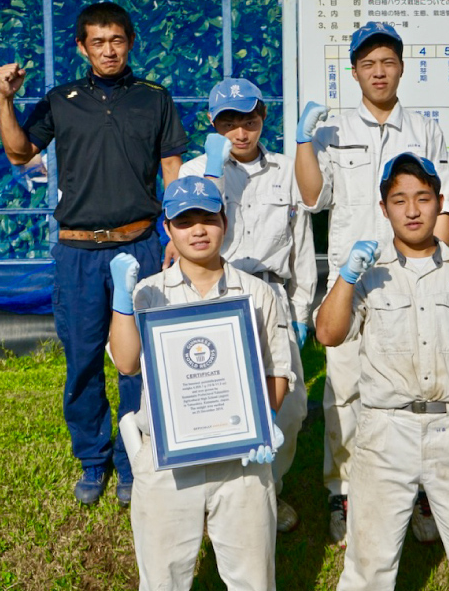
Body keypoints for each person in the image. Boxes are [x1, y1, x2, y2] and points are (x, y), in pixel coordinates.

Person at [0, 2, 188, 505]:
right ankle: (94, 460)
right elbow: (20, 152)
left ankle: (136, 461)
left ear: (130, 43)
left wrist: (174, 235)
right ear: (82, 47)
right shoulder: (62, 100)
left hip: (142, 243)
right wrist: (6, 99)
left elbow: (172, 166)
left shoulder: (154, 98)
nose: (108, 50)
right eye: (98, 42)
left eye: (117, 40)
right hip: (78, 252)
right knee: (82, 359)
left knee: (140, 361)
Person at [315, 153, 449, 591]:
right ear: (383, 208)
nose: (411, 210)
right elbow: (328, 334)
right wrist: (346, 278)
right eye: (399, 199)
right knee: (368, 564)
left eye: (423, 198)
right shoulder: (368, 273)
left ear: (439, 203)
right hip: (386, 430)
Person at [295, 20, 449, 545]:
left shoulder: (425, 128)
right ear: (355, 71)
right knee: (343, 389)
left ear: (402, 67)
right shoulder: (334, 128)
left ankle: (420, 493)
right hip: (351, 277)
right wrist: (304, 143)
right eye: (368, 64)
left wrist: (442, 266)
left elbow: (444, 204)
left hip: (411, 276)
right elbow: (315, 199)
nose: (379, 72)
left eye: (387, 62)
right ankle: (343, 493)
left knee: (417, 383)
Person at [108, 175, 291, 591]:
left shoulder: (257, 292)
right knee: (162, 580)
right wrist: (123, 301)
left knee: (253, 580)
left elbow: (276, 371)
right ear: (168, 229)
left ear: (224, 221)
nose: (198, 230)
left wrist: (266, 422)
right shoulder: (149, 293)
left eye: (207, 218)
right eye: (184, 221)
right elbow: (125, 363)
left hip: (242, 460)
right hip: (167, 463)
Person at [178, 77, 315, 532]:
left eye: (249, 120)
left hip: (273, 292)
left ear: (262, 119)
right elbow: (192, 234)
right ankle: (220, 500)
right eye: (229, 122)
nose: (240, 132)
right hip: (219, 294)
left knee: (289, 405)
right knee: (220, 398)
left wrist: (300, 311)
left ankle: (268, 490)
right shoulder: (196, 169)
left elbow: (300, 243)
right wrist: (213, 173)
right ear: (213, 123)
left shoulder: (284, 169)